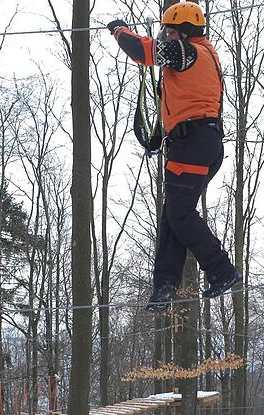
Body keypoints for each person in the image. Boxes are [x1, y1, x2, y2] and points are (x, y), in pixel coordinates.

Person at [107, 0, 241, 312]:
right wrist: (159, 134)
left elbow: (145, 52)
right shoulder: (203, 55)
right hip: (201, 141)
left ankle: (221, 269)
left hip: (192, 143)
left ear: (183, 29)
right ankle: (165, 285)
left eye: (169, 31)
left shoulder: (188, 52)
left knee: (179, 215)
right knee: (174, 214)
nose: (166, 36)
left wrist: (118, 30)